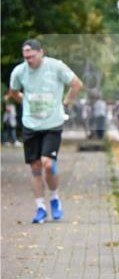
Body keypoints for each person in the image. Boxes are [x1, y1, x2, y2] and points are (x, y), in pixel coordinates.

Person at [6, 38, 83, 224]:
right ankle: (40, 208)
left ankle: (55, 198)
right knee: (35, 168)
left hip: (52, 124)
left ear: (41, 52)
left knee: (47, 164)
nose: (28, 60)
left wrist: (64, 103)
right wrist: (24, 100)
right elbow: (13, 91)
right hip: (30, 125)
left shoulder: (56, 67)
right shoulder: (19, 71)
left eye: (31, 56)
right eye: (25, 57)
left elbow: (76, 84)